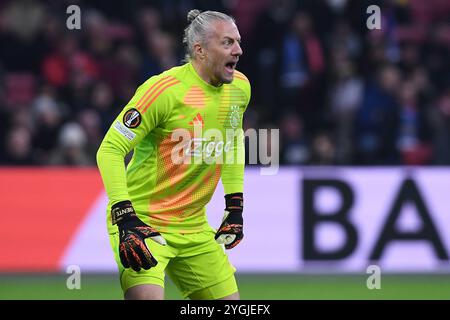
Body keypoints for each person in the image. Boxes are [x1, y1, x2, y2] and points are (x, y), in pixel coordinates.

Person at [96, 9, 250, 300]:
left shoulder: (240, 88)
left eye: (238, 42)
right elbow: (110, 150)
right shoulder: (163, 91)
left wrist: (235, 205)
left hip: (194, 226)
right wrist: (125, 216)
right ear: (200, 50)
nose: (238, 50)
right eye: (228, 43)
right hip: (142, 221)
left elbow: (232, 144)